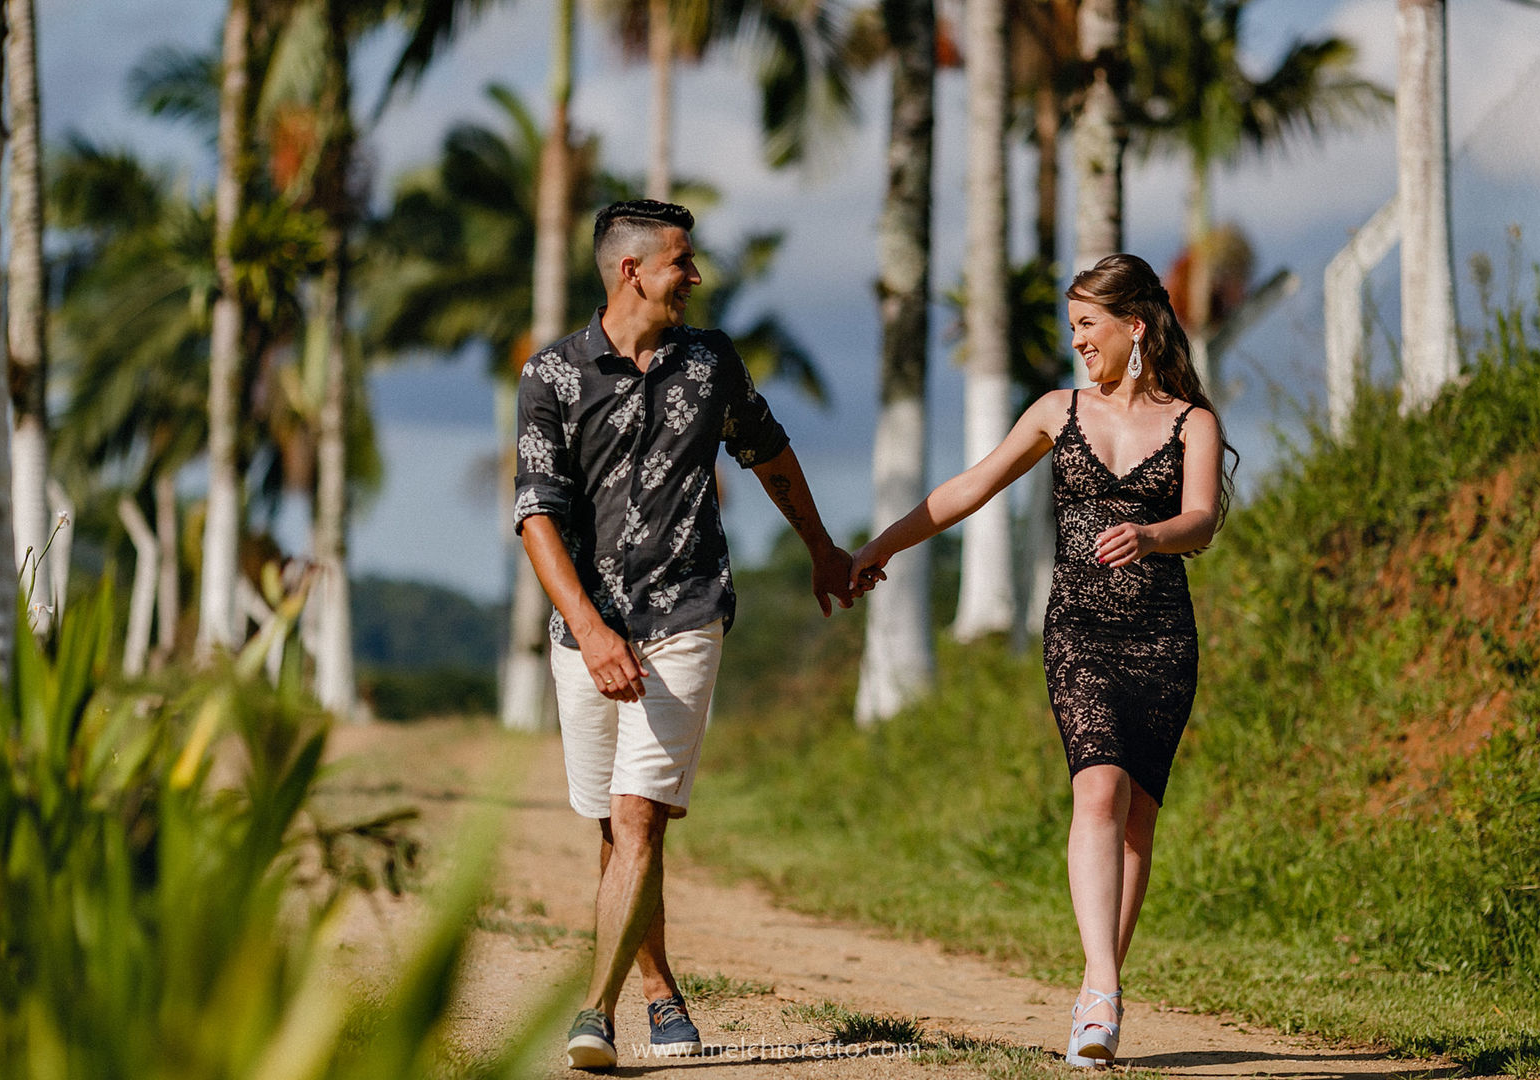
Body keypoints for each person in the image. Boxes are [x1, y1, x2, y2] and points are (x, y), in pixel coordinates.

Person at [850, 253, 1235, 1068]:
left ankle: (1102, 983)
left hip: (1162, 636)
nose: (1077, 345)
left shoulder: (1191, 421)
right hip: (1080, 633)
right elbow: (968, 487)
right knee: (1097, 786)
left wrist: (1152, 534)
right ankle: (1101, 992)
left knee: (1137, 817)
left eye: (1088, 327)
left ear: (1135, 327)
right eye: (1071, 329)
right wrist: (881, 546)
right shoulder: (1055, 413)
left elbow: (1200, 518)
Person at [515, 199, 860, 1072]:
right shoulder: (551, 374)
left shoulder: (710, 364)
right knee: (610, 824)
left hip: (686, 612)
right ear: (630, 270)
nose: (695, 276)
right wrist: (590, 630)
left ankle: (592, 1015)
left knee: (638, 816)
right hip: (586, 630)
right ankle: (661, 986)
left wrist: (822, 550)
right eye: (681, 261)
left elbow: (769, 452)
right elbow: (537, 518)